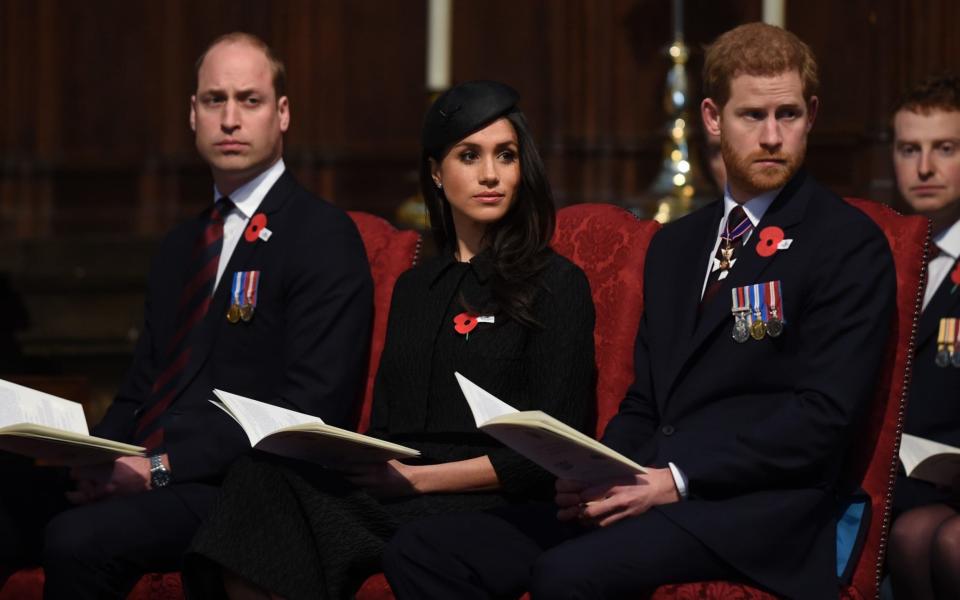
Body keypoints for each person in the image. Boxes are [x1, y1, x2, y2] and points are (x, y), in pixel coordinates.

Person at [383, 23, 896, 600]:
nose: (772, 136)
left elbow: (822, 420)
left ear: (813, 115)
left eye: (789, 115)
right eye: (752, 116)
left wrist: (674, 481)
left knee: (567, 573)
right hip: (650, 487)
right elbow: (647, 402)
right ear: (711, 117)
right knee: (427, 552)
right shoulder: (677, 244)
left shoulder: (848, 242)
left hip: (759, 513)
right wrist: (599, 473)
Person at [181, 80, 597, 600]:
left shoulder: (558, 283)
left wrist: (421, 480)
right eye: (469, 156)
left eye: (505, 156)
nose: (490, 174)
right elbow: (387, 427)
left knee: (369, 529)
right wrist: (353, 456)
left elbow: (554, 452)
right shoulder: (415, 288)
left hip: (497, 500)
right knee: (259, 477)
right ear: (436, 174)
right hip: (401, 489)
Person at [0, 32, 373, 598]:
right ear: (191, 114)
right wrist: (92, 458)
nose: (229, 118)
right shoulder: (181, 246)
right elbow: (142, 388)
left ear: (283, 114)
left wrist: (159, 470)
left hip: (236, 486)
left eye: (249, 100)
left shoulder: (321, 235)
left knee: (77, 539)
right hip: (148, 468)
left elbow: (308, 410)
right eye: (213, 100)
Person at [886, 73, 960, 600]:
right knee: (912, 535)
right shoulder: (880, 256)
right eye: (910, 149)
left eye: (946, 148)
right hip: (898, 481)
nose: (925, 168)